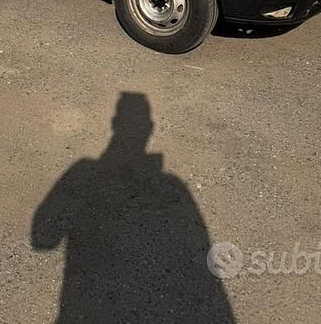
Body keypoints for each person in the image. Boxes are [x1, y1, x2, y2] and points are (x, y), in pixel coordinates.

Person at [32, 92, 236, 323]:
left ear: (115, 123)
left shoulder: (84, 170)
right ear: (150, 127)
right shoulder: (174, 185)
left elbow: (42, 240)